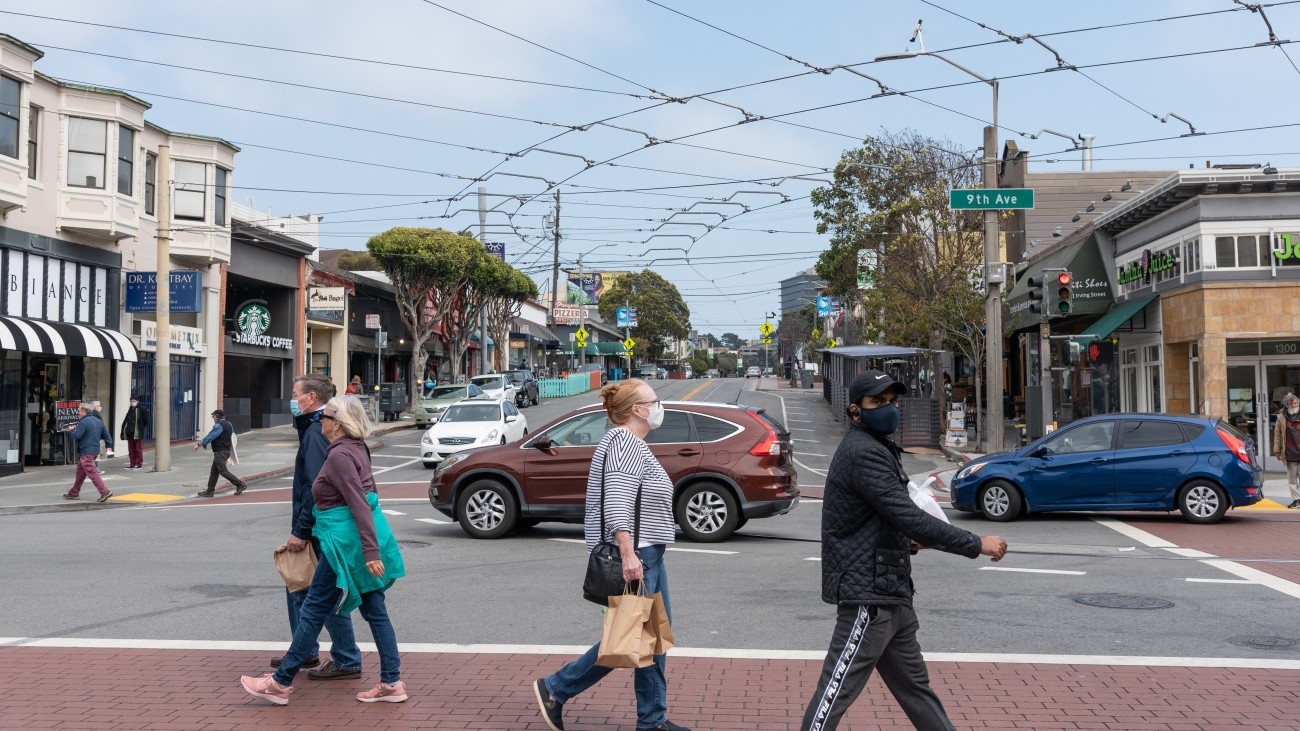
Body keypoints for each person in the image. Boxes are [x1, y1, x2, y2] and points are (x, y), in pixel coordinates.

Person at [800, 370, 1008, 731]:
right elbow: (906, 514)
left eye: (892, 401)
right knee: (834, 694)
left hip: (891, 591)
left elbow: (883, 518)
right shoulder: (863, 452)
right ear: (854, 411)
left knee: (916, 691)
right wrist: (976, 544)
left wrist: (908, 542)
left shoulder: (879, 447)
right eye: (877, 402)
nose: (888, 409)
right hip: (869, 596)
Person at [532, 379, 689, 731]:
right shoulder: (623, 443)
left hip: (650, 553)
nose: (658, 405)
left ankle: (652, 719)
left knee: (652, 639)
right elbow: (617, 500)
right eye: (654, 400)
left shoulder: (628, 442)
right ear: (636, 409)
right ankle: (556, 688)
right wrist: (628, 553)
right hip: (639, 554)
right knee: (632, 638)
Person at [241, 395, 407, 705]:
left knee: (315, 608)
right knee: (374, 610)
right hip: (352, 539)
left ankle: (280, 683)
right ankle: (391, 682)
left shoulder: (341, 455)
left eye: (326, 417)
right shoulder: (356, 448)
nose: (321, 421)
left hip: (343, 543)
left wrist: (370, 552)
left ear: (338, 424)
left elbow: (359, 501)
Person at [272, 375, 363, 679]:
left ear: (311, 398)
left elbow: (314, 485)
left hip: (318, 526)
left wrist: (301, 529)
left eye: (295, 394)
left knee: (315, 594)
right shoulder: (316, 429)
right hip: (323, 524)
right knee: (300, 589)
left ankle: (344, 657)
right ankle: (307, 650)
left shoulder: (315, 432)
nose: (292, 400)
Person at [62, 402, 114, 502]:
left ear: (84, 411)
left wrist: (71, 430)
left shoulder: (84, 422)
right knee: (80, 472)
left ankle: (104, 492)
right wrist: (109, 446)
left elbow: (77, 435)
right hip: (94, 450)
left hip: (86, 451)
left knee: (92, 472)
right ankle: (74, 492)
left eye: (79, 411)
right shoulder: (98, 421)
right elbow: (107, 435)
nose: (77, 413)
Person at [195, 409, 245, 498]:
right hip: (225, 450)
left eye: (213, 417)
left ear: (217, 417)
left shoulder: (219, 426)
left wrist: (200, 443)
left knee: (222, 470)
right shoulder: (228, 424)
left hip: (220, 451)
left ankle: (240, 484)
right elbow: (233, 437)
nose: (213, 419)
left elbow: (211, 435)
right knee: (214, 471)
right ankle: (210, 491)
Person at [1272, 392, 1300, 509]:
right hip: (1289, 452)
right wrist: (1277, 450)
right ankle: (1296, 500)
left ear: (1298, 403)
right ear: (1286, 404)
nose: (1293, 405)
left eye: (1294, 403)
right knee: (1292, 479)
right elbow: (1277, 434)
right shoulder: (1281, 416)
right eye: (1290, 403)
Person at [120, 395, 150, 470]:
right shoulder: (130, 409)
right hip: (130, 432)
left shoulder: (142, 409)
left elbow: (145, 421)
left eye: (134, 401)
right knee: (131, 450)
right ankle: (132, 463)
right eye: (131, 401)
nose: (132, 402)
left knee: (138, 449)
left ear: (137, 401)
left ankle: (139, 463)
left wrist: (140, 427)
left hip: (137, 432)